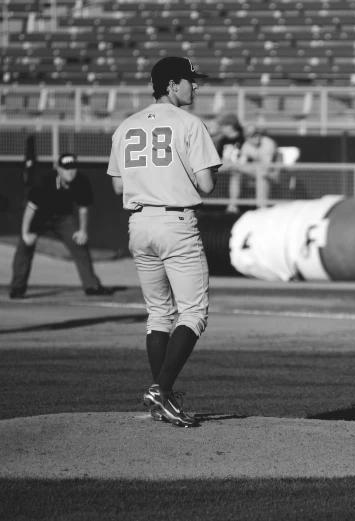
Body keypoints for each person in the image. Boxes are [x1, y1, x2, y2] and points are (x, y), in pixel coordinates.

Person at [107, 56, 221, 428]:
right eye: (190, 81)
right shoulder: (189, 123)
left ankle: (165, 399)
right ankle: (162, 389)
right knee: (193, 312)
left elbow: (117, 185)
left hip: (139, 224)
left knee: (158, 314)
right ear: (172, 85)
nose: (196, 86)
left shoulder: (126, 125)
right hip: (175, 222)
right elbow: (205, 184)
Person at [9, 153, 112, 299]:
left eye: (73, 168)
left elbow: (83, 209)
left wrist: (82, 231)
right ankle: (17, 288)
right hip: (39, 218)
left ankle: (92, 286)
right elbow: (30, 208)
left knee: (80, 244)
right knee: (24, 247)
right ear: (58, 169)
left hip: (63, 218)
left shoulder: (81, 181)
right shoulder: (45, 182)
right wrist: (26, 233)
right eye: (66, 168)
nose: (70, 172)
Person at [222, 126, 279, 211]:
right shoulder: (246, 145)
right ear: (247, 137)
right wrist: (236, 167)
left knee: (261, 174)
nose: (256, 137)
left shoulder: (268, 143)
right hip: (256, 171)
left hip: (274, 174)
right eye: (252, 136)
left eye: (257, 134)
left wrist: (243, 167)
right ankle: (232, 206)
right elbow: (242, 163)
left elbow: (266, 167)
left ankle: (262, 207)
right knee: (236, 173)